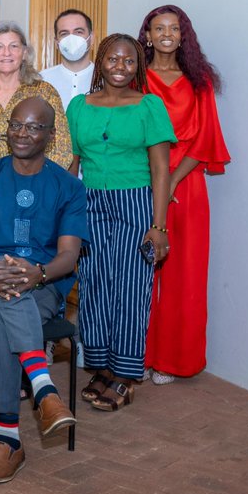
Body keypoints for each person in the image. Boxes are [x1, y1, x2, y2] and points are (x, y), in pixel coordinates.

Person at [0, 96, 85, 484]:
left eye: (33, 127)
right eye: (16, 124)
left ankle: (8, 439)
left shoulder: (68, 187)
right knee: (3, 290)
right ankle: (44, 389)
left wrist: (38, 274)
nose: (22, 133)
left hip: (43, 283)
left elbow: (69, 256)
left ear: (51, 134)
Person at [68, 35, 174, 411]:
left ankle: (126, 374)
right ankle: (102, 366)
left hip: (135, 202)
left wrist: (158, 226)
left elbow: (161, 170)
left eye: (129, 61)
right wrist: (67, 218)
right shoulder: (79, 106)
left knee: (131, 287)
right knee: (94, 284)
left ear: (138, 67)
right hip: (90, 203)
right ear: (100, 62)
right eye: (113, 59)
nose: (120, 67)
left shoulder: (149, 105)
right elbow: (72, 166)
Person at [138, 5, 230, 384]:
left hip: (187, 183)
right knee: (141, 273)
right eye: (159, 28)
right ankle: (139, 354)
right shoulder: (135, 77)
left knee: (183, 274)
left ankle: (174, 360)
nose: (166, 34)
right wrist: (156, 180)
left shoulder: (198, 80)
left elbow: (206, 137)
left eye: (173, 28)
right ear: (147, 35)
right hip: (141, 179)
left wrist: (172, 180)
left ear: (183, 35)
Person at [0, 21, 72, 186]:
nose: (6, 53)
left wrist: (34, 184)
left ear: (24, 53)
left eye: (14, 46)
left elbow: (62, 148)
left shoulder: (45, 92)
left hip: (36, 190)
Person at [41, 9, 97, 108]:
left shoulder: (105, 80)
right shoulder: (42, 80)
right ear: (56, 43)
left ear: (91, 38)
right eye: (64, 34)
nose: (71, 39)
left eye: (78, 32)